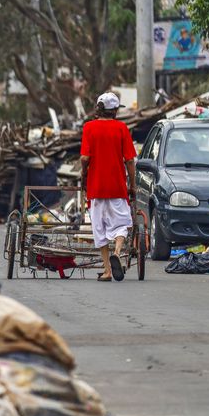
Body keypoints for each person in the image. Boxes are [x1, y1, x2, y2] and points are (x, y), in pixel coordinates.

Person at [80, 91, 137, 282]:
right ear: (115, 111)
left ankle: (106, 271)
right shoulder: (121, 128)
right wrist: (133, 185)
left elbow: (84, 158)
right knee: (121, 224)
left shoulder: (89, 128)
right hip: (117, 187)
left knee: (100, 229)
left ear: (98, 108)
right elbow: (130, 160)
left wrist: (83, 174)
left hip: (96, 188)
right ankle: (118, 252)